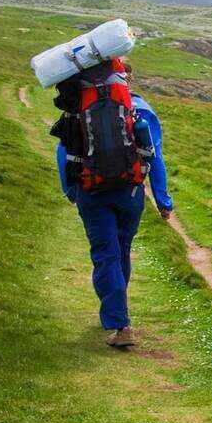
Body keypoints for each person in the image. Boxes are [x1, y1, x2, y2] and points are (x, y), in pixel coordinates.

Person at [54, 60, 173, 349]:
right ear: (126, 80)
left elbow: (63, 152)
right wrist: (163, 200)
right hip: (130, 192)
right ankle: (119, 311)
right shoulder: (141, 110)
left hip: (91, 191)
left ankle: (120, 321)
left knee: (105, 254)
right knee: (121, 249)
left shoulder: (79, 108)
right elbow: (154, 158)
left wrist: (70, 190)